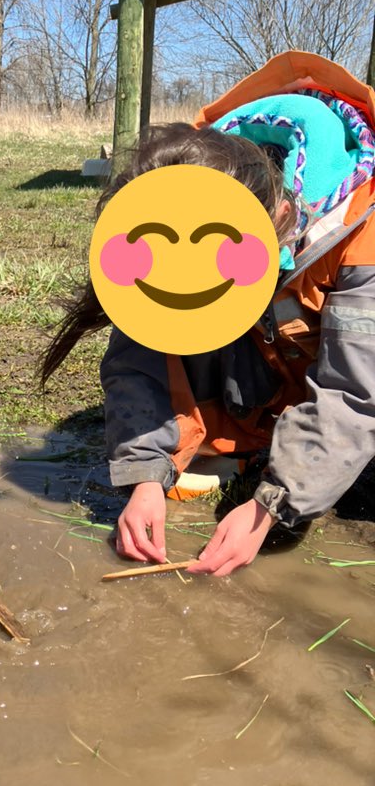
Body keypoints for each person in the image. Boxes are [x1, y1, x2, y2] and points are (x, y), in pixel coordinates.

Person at [41, 51, 375, 577]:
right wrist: (145, 479)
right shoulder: (190, 174)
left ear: (282, 216)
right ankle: (241, 444)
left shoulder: (362, 232)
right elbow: (140, 354)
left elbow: (355, 391)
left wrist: (272, 507)